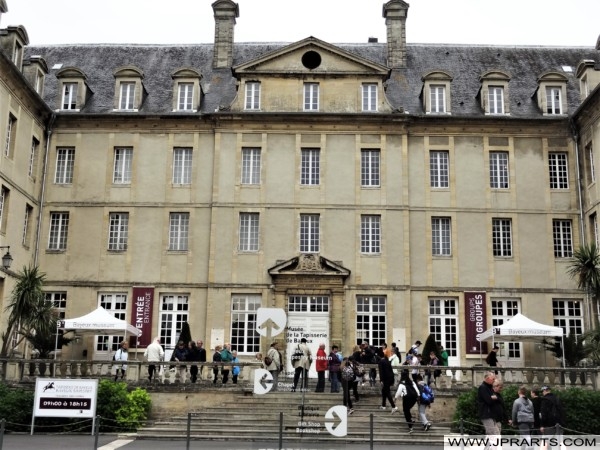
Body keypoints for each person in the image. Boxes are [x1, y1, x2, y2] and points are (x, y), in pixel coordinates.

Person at [477, 371, 501, 438]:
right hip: (486, 414)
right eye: (492, 379)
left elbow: (497, 398)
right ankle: (493, 448)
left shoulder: (489, 388)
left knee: (495, 433)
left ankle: (489, 448)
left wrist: (493, 397)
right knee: (493, 434)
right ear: (487, 378)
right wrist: (493, 398)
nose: (494, 380)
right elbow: (489, 400)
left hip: (491, 414)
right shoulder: (483, 387)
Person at [378, 348, 398, 413]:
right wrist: (392, 381)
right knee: (384, 391)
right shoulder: (387, 361)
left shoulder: (381, 361)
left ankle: (393, 406)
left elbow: (381, 371)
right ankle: (383, 405)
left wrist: (381, 380)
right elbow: (391, 371)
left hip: (386, 379)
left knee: (387, 392)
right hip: (390, 378)